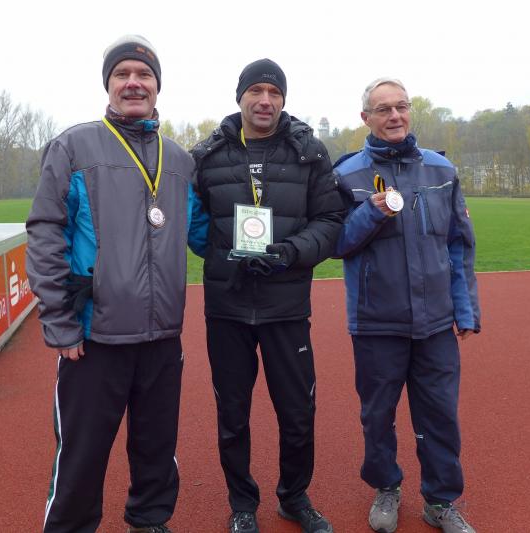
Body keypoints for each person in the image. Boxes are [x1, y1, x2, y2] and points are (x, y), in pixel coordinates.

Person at [26, 34, 208, 533]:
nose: (133, 83)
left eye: (144, 74)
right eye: (122, 74)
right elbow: (45, 233)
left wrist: (265, 232)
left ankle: (149, 521)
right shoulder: (74, 146)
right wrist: (60, 323)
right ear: (108, 85)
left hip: (162, 336)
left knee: (157, 449)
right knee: (81, 455)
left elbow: (202, 233)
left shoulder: (180, 160)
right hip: (93, 336)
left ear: (157, 86)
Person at [190, 59, 344, 533]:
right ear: (239, 96)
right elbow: (194, 224)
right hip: (227, 307)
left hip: (286, 307)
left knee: (298, 413)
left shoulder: (309, 152)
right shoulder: (208, 155)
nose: (265, 100)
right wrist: (225, 255)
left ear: (283, 99)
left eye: (274, 92)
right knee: (232, 415)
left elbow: (331, 221)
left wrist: (289, 252)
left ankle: (294, 497)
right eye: (255, 91)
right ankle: (242, 505)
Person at [333, 78, 481, 533]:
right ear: (366, 118)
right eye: (383, 109)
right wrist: (371, 212)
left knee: (440, 415)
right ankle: (386, 488)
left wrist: (465, 309)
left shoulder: (441, 169)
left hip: (435, 323)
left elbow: (459, 244)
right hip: (376, 323)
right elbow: (336, 243)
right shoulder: (347, 175)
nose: (395, 116)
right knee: (377, 416)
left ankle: (440, 501)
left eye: (401, 106)